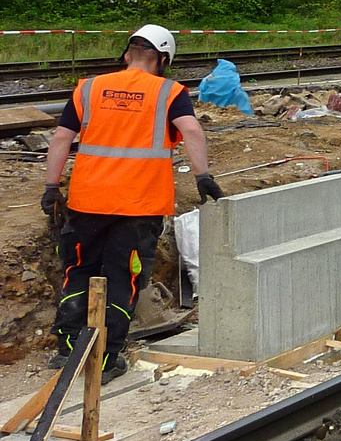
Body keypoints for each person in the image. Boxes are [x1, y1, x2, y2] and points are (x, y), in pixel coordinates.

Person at [39, 24, 223, 378]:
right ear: (164, 59)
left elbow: (62, 138)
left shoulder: (89, 88)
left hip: (87, 201)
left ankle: (67, 350)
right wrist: (202, 177)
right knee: (124, 279)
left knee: (78, 271)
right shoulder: (169, 91)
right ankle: (106, 360)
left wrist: (51, 186)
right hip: (140, 207)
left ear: (127, 55)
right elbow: (192, 131)